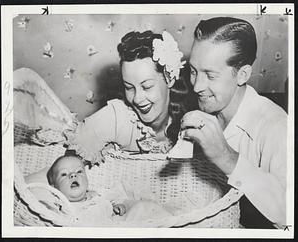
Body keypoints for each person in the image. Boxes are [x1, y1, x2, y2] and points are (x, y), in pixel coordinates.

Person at [180, 17, 287, 228]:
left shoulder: (276, 126)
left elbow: (288, 215)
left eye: (210, 75)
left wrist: (227, 158)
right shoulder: (201, 106)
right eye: (193, 71)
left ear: (242, 75)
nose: (196, 86)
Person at [64, 30, 189, 164]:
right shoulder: (116, 117)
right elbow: (67, 164)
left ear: (169, 79)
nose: (137, 99)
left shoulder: (191, 118)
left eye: (147, 86)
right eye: (129, 87)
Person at [46, 153, 172, 226]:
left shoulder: (97, 195)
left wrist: (116, 207)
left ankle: (172, 225)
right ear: (54, 187)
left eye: (79, 171)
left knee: (143, 207)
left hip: (116, 226)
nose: (73, 175)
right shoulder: (61, 206)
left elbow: (109, 207)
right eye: (64, 174)